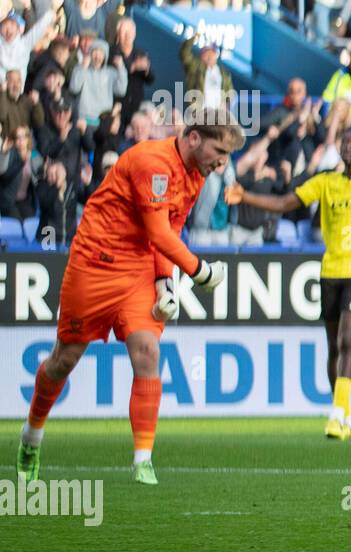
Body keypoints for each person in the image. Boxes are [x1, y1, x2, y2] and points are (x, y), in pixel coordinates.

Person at [17, 108, 243, 486]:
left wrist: (162, 281)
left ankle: (142, 461)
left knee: (148, 351)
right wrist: (198, 271)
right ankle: (31, 436)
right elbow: (159, 232)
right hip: (94, 265)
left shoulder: (195, 175)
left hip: (137, 267)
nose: (222, 162)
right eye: (219, 150)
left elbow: (169, 228)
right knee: (64, 359)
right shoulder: (153, 163)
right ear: (193, 139)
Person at [225, 129, 351, 440]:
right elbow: (286, 203)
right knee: (334, 345)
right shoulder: (326, 182)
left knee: (349, 337)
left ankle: (335, 415)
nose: (348, 147)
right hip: (330, 272)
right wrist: (246, 196)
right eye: (345, 142)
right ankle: (345, 412)